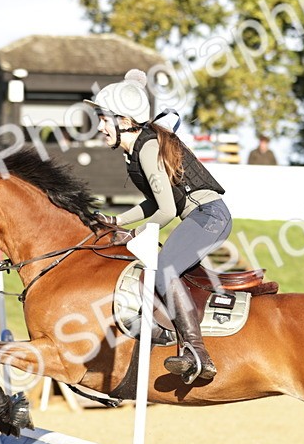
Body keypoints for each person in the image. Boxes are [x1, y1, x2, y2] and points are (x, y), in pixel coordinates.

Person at [85, 70, 233, 384]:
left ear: (123, 120)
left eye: (102, 118)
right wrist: (116, 221)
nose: (98, 126)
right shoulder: (137, 149)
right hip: (200, 216)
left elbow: (166, 209)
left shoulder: (148, 148)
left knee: (163, 268)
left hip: (209, 216)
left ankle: (197, 353)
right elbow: (157, 202)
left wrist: (137, 234)